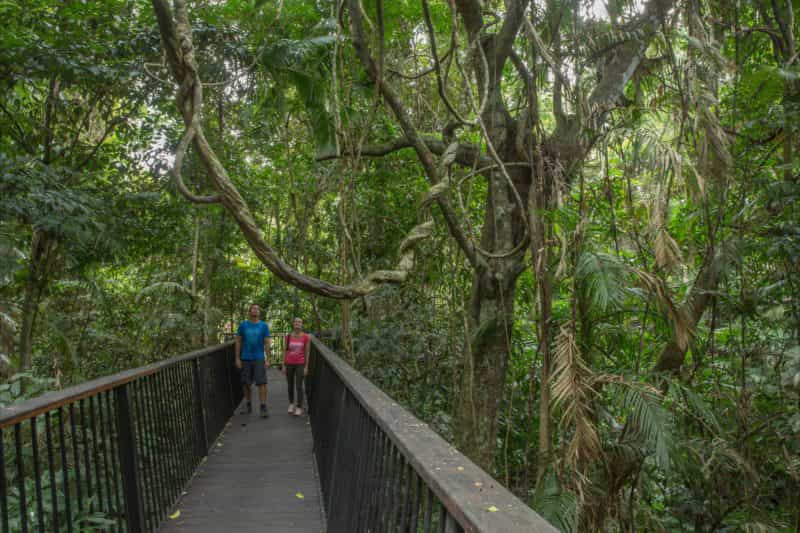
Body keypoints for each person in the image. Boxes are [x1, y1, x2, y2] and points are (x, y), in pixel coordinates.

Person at [235, 304, 272, 418]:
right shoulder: (243, 325)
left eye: (257, 309)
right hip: (245, 358)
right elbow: (238, 341)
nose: (255, 310)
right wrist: (237, 358)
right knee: (246, 383)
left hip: (259, 358)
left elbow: (267, 342)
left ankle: (263, 406)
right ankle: (248, 404)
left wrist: (268, 359)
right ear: (249, 311)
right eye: (253, 309)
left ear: (259, 312)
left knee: (261, 383)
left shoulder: (263, 326)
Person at [282, 317, 310, 416]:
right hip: (289, 363)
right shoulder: (288, 336)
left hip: (300, 364)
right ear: (293, 324)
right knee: (290, 385)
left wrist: (306, 367)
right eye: (296, 322)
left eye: (299, 322)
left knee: (299, 385)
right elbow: (285, 351)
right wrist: (283, 365)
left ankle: (299, 406)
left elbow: (307, 352)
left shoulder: (306, 337)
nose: (297, 323)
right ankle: (291, 404)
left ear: (302, 324)